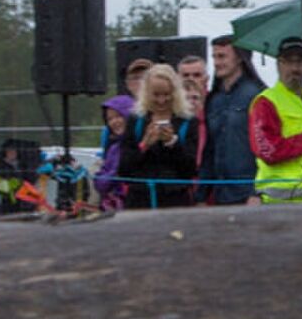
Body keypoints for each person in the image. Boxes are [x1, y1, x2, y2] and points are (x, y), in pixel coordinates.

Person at [248, 37, 302, 203]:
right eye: (289, 61)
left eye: (301, 61)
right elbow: (268, 151)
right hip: (281, 204)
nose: (295, 68)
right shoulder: (266, 102)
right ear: (278, 64)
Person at [119, 63, 200, 209]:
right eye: (156, 95)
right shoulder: (136, 120)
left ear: (175, 93)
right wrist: (144, 144)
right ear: (146, 93)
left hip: (175, 201)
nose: (161, 101)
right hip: (140, 200)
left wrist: (172, 143)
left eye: (167, 94)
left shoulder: (188, 121)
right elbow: (123, 169)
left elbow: (191, 169)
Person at [198, 38, 264, 205]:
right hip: (220, 194)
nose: (217, 62)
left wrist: (257, 191)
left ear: (240, 58)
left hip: (248, 194)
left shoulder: (257, 95)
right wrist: (201, 195)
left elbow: (263, 146)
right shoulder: (213, 100)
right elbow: (209, 151)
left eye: (222, 56)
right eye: (214, 57)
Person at [93, 97, 133, 211]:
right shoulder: (114, 149)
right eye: (110, 119)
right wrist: (113, 175)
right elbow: (100, 184)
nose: (114, 122)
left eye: (119, 116)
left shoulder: (142, 145)